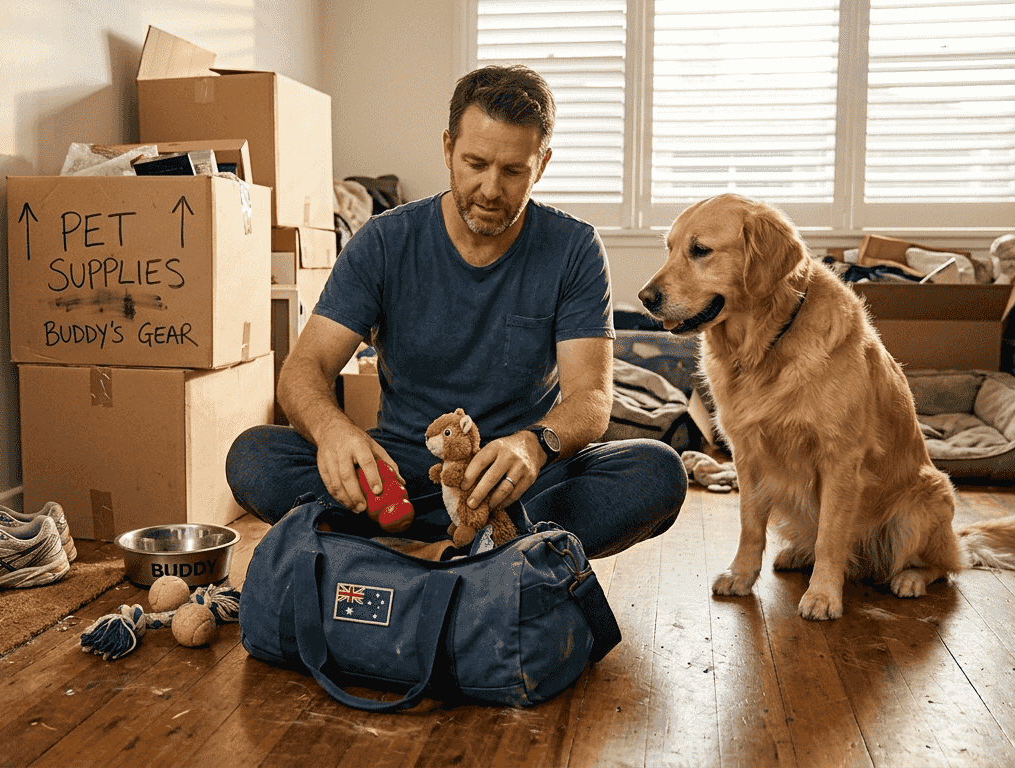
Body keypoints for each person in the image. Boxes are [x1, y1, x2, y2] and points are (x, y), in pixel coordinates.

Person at [225, 64, 686, 558]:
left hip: (517, 478)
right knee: (253, 455)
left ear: (543, 164)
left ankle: (406, 551)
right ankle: (493, 555)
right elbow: (304, 369)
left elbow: (591, 397)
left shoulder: (574, 247)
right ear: (448, 148)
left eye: (513, 171)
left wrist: (534, 444)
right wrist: (334, 431)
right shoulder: (384, 241)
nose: (490, 189)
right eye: (475, 163)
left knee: (657, 469)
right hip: (403, 474)